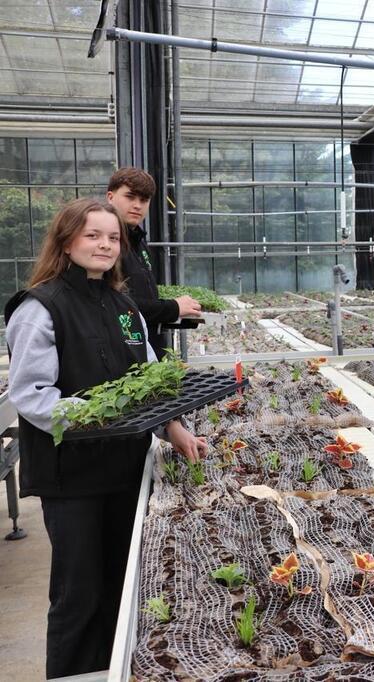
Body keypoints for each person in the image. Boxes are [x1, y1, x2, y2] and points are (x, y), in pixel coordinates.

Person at [4, 198, 207, 678]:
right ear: (66, 240)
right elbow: (31, 394)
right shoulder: (40, 306)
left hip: (125, 469)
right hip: (72, 478)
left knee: (122, 583)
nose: (105, 245)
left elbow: (150, 380)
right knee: (78, 593)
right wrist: (92, 417)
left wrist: (173, 428)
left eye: (113, 237)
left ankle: (114, 671)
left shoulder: (123, 305)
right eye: (93, 235)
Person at [107, 167, 202, 358]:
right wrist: (172, 307)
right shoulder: (107, 245)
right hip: (125, 352)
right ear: (110, 197)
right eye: (130, 197)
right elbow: (112, 303)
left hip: (148, 349)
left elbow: (140, 294)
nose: (137, 205)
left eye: (144, 200)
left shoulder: (139, 241)